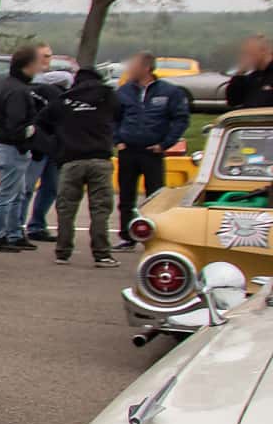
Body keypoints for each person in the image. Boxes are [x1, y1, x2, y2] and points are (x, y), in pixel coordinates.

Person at [39, 64, 121, 266]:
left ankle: (63, 252)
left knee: (66, 208)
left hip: (71, 160)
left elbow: (41, 121)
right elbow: (121, 115)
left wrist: (57, 141)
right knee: (100, 209)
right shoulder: (108, 96)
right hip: (100, 160)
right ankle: (102, 254)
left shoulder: (63, 100)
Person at [114, 51, 190, 249]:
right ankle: (126, 236)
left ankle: (155, 236)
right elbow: (112, 118)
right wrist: (117, 140)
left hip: (153, 152)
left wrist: (165, 144)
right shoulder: (123, 91)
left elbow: (181, 119)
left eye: (133, 65)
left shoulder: (169, 92)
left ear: (146, 68)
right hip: (128, 151)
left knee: (155, 197)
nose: (129, 69)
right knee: (126, 196)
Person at [0, 44, 43, 252]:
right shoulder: (18, 90)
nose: (39, 67)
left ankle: (13, 233)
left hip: (6, 145)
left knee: (17, 193)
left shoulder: (6, 84)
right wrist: (29, 133)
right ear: (28, 65)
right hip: (10, 147)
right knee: (8, 194)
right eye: (37, 62)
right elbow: (15, 124)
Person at [24, 46, 70, 241]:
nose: (47, 59)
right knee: (26, 188)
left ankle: (36, 225)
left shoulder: (58, 84)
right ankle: (16, 226)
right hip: (36, 146)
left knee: (51, 187)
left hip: (54, 145)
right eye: (44, 56)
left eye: (50, 56)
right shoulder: (29, 86)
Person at [225, 34, 273, 109]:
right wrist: (239, 74)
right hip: (250, 119)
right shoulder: (251, 78)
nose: (247, 57)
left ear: (263, 51)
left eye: (250, 53)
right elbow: (233, 101)